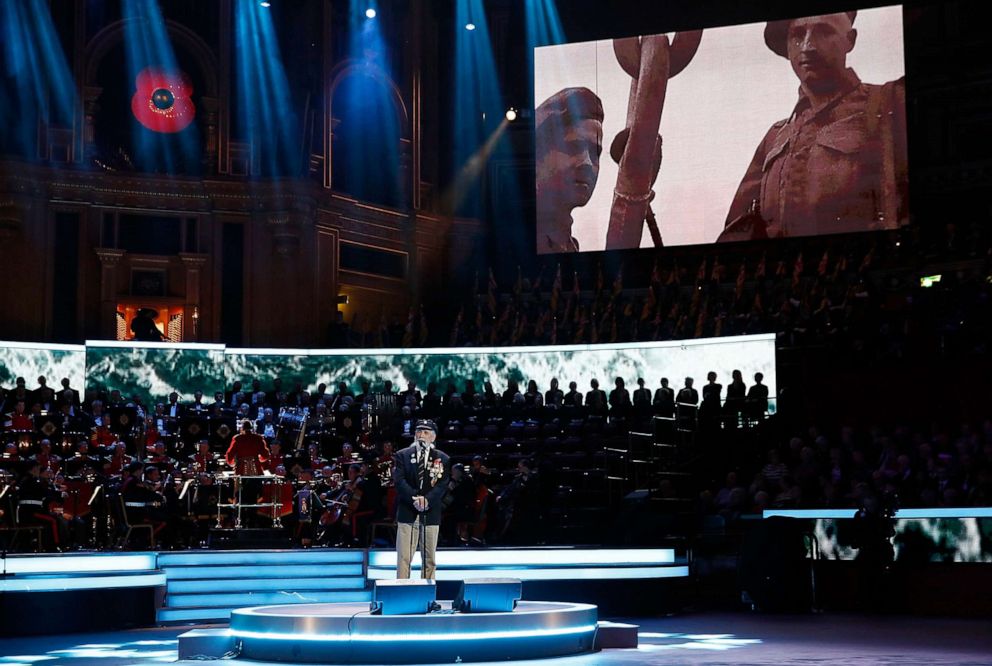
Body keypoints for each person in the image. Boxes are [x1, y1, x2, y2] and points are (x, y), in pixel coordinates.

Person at [721, 11, 907, 241]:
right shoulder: (775, 136)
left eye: (823, 32)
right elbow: (738, 232)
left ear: (850, 40)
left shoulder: (892, 103)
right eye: (797, 36)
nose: (807, 46)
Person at [535, 87, 605, 253]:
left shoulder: (569, 245)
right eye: (573, 147)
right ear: (538, 157)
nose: (587, 163)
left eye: (595, 154)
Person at [393, 419, 450, 580]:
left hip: (430, 512)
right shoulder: (402, 455)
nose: (421, 435)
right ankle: (402, 592)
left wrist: (426, 500)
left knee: (429, 559)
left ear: (433, 437)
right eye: (418, 431)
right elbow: (399, 481)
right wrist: (415, 499)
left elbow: (442, 485)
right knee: (404, 557)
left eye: (425, 432)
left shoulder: (442, 458)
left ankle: (428, 594)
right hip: (407, 511)